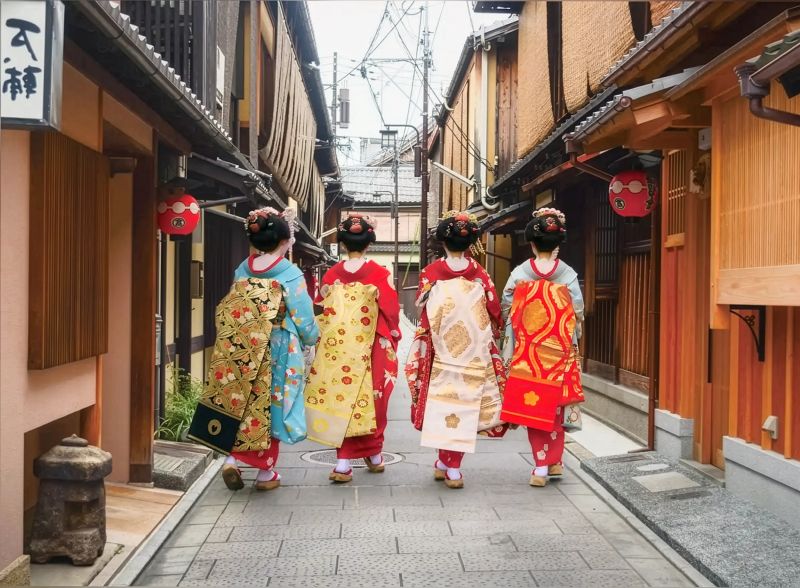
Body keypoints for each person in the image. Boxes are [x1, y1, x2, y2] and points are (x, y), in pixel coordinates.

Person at [188, 207, 319, 491]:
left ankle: (232, 459)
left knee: (241, 399)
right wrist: (311, 339)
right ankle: (264, 472)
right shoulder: (289, 273)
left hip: (242, 344)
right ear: (285, 240)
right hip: (277, 346)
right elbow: (304, 318)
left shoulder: (242, 268)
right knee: (272, 403)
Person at [405, 211, 507, 489]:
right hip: (473, 352)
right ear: (471, 241)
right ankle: (451, 466)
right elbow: (494, 310)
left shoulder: (430, 274)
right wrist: (494, 332)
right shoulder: (480, 274)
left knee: (443, 402)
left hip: (441, 351)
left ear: (442, 242)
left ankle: (446, 464)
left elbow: (423, 312)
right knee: (465, 403)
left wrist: (425, 340)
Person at [305, 213, 401, 483]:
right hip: (372, 347)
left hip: (339, 351)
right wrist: (393, 332)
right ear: (369, 241)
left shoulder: (332, 275)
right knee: (375, 398)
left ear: (343, 243)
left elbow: (320, 308)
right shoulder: (380, 274)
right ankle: (374, 454)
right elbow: (391, 312)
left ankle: (344, 462)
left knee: (340, 398)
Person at [500, 207, 585, 487]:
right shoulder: (568, 274)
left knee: (534, 408)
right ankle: (556, 462)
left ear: (532, 243)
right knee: (557, 408)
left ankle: (540, 466)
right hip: (560, 351)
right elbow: (578, 310)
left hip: (528, 353)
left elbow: (507, 305)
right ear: (558, 244)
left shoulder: (521, 273)